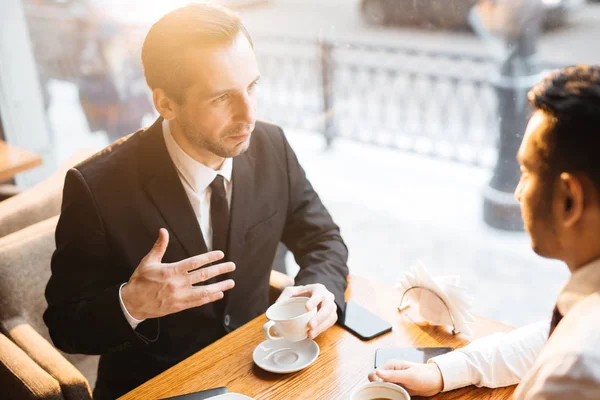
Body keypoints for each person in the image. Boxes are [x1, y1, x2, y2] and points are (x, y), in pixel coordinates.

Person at [43, 4, 349, 399]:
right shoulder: (96, 187)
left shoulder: (272, 146)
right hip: (158, 386)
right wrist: (131, 303)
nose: (249, 115)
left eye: (252, 87)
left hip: (259, 368)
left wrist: (320, 288)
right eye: (222, 98)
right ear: (166, 103)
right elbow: (65, 324)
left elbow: (322, 237)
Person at [369, 65, 600, 399]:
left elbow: (568, 350)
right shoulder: (581, 321)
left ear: (569, 199)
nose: (518, 192)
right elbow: (551, 338)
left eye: (527, 172)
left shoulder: (578, 371)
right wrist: (441, 371)